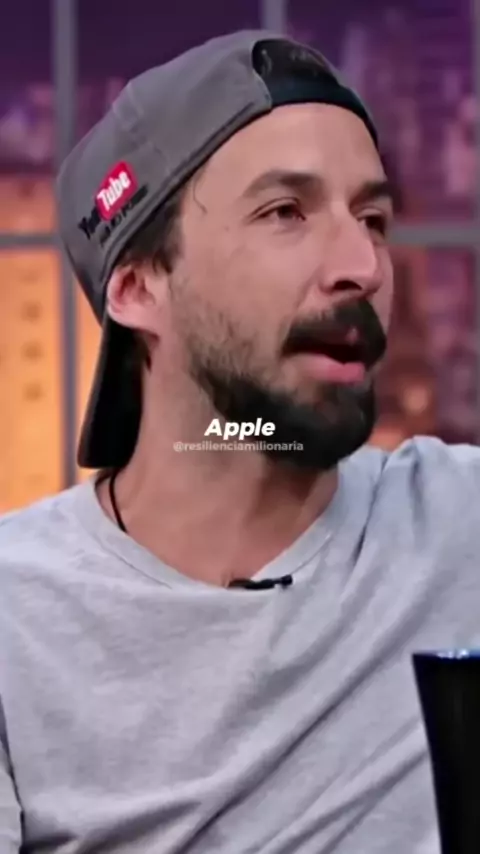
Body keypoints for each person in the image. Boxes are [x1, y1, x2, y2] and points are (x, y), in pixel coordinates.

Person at [0, 29, 478, 854]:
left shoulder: (460, 526)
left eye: (373, 218)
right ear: (138, 287)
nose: (362, 264)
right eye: (285, 212)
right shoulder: (18, 618)